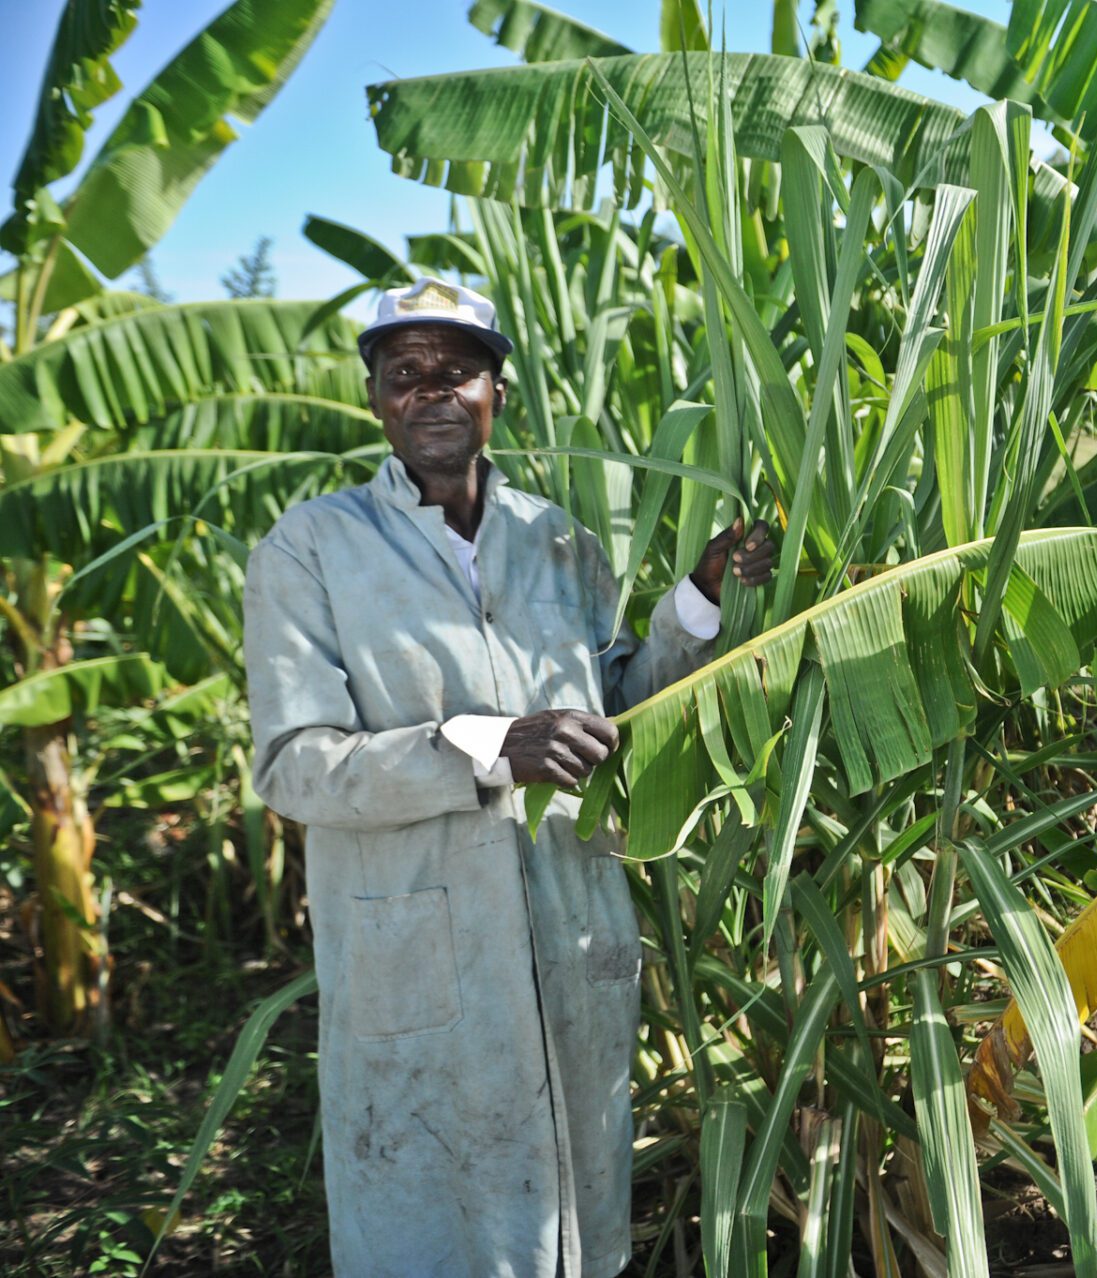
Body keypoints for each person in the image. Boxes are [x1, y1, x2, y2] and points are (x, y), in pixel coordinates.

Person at [243, 277, 774, 1277]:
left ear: (498, 392)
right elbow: (293, 766)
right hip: (419, 952)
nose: (432, 393)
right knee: (431, 1226)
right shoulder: (312, 548)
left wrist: (698, 601)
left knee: (577, 1225)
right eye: (406, 375)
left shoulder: (556, 538)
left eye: (459, 371)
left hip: (571, 928)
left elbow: (614, 700)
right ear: (375, 399)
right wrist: (488, 750)